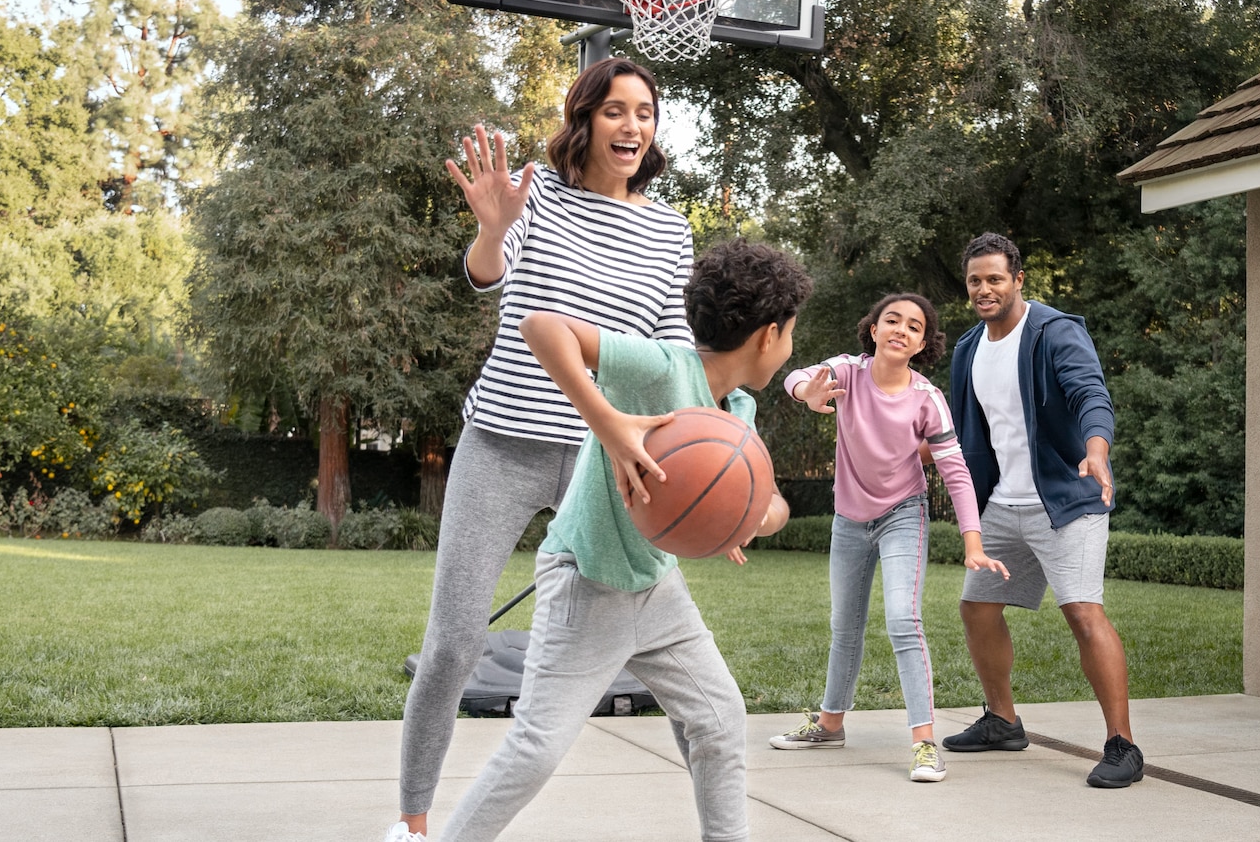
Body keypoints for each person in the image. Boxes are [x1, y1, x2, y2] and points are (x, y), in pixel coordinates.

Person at [387, 58, 694, 842]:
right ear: (585, 119)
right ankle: (413, 824)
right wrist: (492, 228)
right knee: (454, 642)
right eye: (616, 111)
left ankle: (715, 813)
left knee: (664, 634)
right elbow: (487, 275)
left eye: (646, 113)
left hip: (608, 450)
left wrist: (704, 433)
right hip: (503, 441)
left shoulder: (668, 228)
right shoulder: (538, 192)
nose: (633, 126)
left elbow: (673, 346)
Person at [433, 239, 810, 842]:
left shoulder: (736, 415)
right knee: (537, 748)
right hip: (586, 580)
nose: (790, 346)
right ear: (769, 335)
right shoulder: (660, 367)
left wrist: (751, 517)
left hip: (657, 591)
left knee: (718, 719)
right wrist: (606, 423)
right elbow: (541, 326)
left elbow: (763, 505)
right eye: (791, 333)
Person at [766, 293, 1010, 783]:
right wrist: (806, 394)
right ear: (873, 330)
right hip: (849, 519)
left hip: (903, 514)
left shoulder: (927, 398)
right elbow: (797, 376)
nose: (901, 329)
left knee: (903, 618)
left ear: (922, 343)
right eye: (891, 320)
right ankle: (830, 724)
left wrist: (973, 541)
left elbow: (955, 471)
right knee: (844, 625)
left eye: (914, 326)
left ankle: (924, 745)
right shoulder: (848, 372)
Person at [940, 232, 1143, 788]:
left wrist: (1096, 449)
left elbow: (1089, 394)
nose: (984, 289)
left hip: (1066, 500)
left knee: (1082, 612)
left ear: (1018, 280)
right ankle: (1002, 721)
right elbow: (960, 430)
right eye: (975, 281)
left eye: (995, 279)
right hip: (1003, 504)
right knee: (977, 609)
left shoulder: (1054, 331)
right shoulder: (967, 349)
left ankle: (1123, 745)